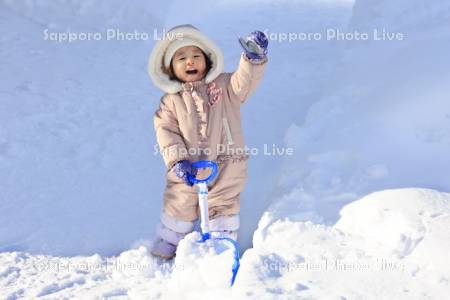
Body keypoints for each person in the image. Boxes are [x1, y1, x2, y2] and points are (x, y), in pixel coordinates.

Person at [147, 24, 268, 259]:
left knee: (224, 200)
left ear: (208, 59)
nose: (190, 62)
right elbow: (166, 131)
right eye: (181, 58)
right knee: (180, 200)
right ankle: (170, 239)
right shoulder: (171, 101)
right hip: (188, 166)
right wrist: (177, 160)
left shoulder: (224, 86)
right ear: (170, 68)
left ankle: (220, 243)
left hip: (227, 161)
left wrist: (252, 60)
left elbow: (245, 82)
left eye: (196, 56)